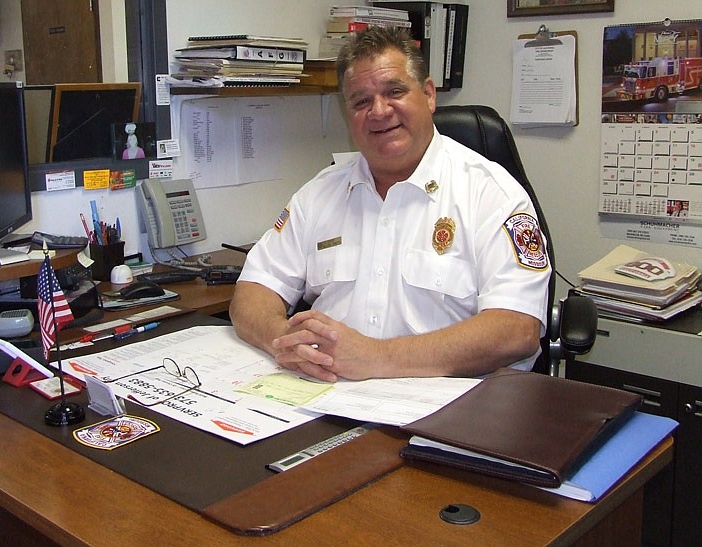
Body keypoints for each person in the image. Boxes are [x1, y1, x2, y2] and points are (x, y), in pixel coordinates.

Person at [229, 27, 551, 382]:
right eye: (361, 101)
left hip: (451, 412)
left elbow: (516, 329)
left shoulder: (491, 194)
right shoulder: (318, 195)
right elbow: (252, 292)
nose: (379, 111)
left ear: (428, 95)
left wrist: (376, 357)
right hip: (332, 398)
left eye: (394, 92)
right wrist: (285, 340)